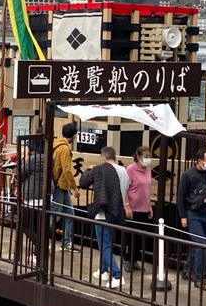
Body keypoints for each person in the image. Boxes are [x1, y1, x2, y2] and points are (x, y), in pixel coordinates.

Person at [79, 146, 128, 289]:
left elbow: (83, 183)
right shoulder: (123, 171)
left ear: (103, 157)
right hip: (118, 212)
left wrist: (89, 169)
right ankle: (103, 270)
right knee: (108, 243)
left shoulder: (99, 169)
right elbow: (125, 188)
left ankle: (117, 275)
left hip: (103, 212)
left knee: (104, 245)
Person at [176, 148, 206, 290]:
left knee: (198, 245)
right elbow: (180, 196)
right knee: (201, 245)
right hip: (193, 214)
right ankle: (199, 278)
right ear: (200, 161)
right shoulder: (188, 175)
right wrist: (183, 215)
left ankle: (188, 269)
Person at [124, 145, 153, 272]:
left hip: (144, 208)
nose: (148, 159)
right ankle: (127, 260)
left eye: (149, 157)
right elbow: (125, 187)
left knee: (140, 236)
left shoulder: (148, 170)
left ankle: (135, 260)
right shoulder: (131, 169)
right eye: (146, 157)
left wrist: (149, 206)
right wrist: (127, 206)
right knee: (131, 236)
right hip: (133, 208)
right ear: (139, 157)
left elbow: (148, 188)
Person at [51, 122, 80, 252]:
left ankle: (66, 241)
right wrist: (74, 187)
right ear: (73, 136)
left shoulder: (56, 144)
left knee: (68, 214)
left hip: (58, 184)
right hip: (60, 185)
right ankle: (43, 239)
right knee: (54, 215)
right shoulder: (65, 149)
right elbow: (67, 170)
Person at [19, 137, 45, 266]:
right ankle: (38, 250)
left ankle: (39, 246)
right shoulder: (50, 158)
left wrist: (24, 159)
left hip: (31, 197)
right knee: (38, 225)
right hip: (44, 197)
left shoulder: (33, 159)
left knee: (24, 225)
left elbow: (20, 172)